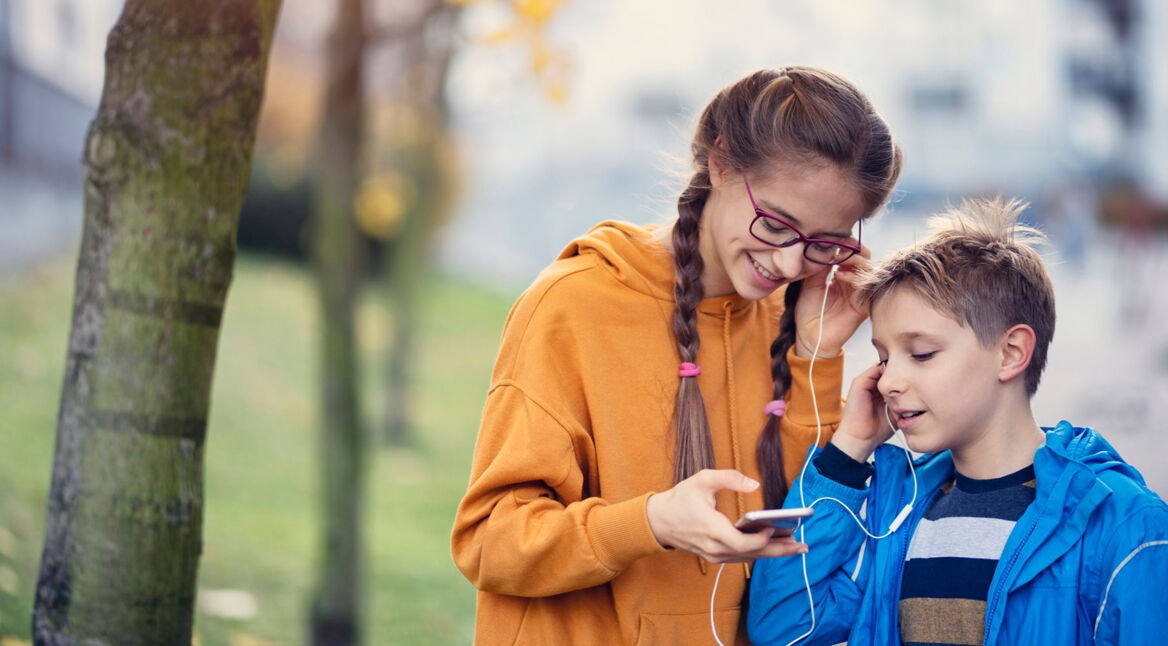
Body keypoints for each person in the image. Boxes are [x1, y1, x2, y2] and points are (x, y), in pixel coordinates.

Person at [449, 67, 902, 644]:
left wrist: (815, 355)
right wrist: (650, 523)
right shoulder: (573, 306)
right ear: (721, 162)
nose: (791, 265)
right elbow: (490, 541)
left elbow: (794, 554)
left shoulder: (787, 316)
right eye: (778, 225)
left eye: (824, 244)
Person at [746, 198, 1168, 645]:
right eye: (884, 358)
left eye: (922, 354)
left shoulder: (1123, 525)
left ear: (1010, 353)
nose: (888, 381)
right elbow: (783, 625)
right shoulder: (893, 515)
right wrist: (850, 449)